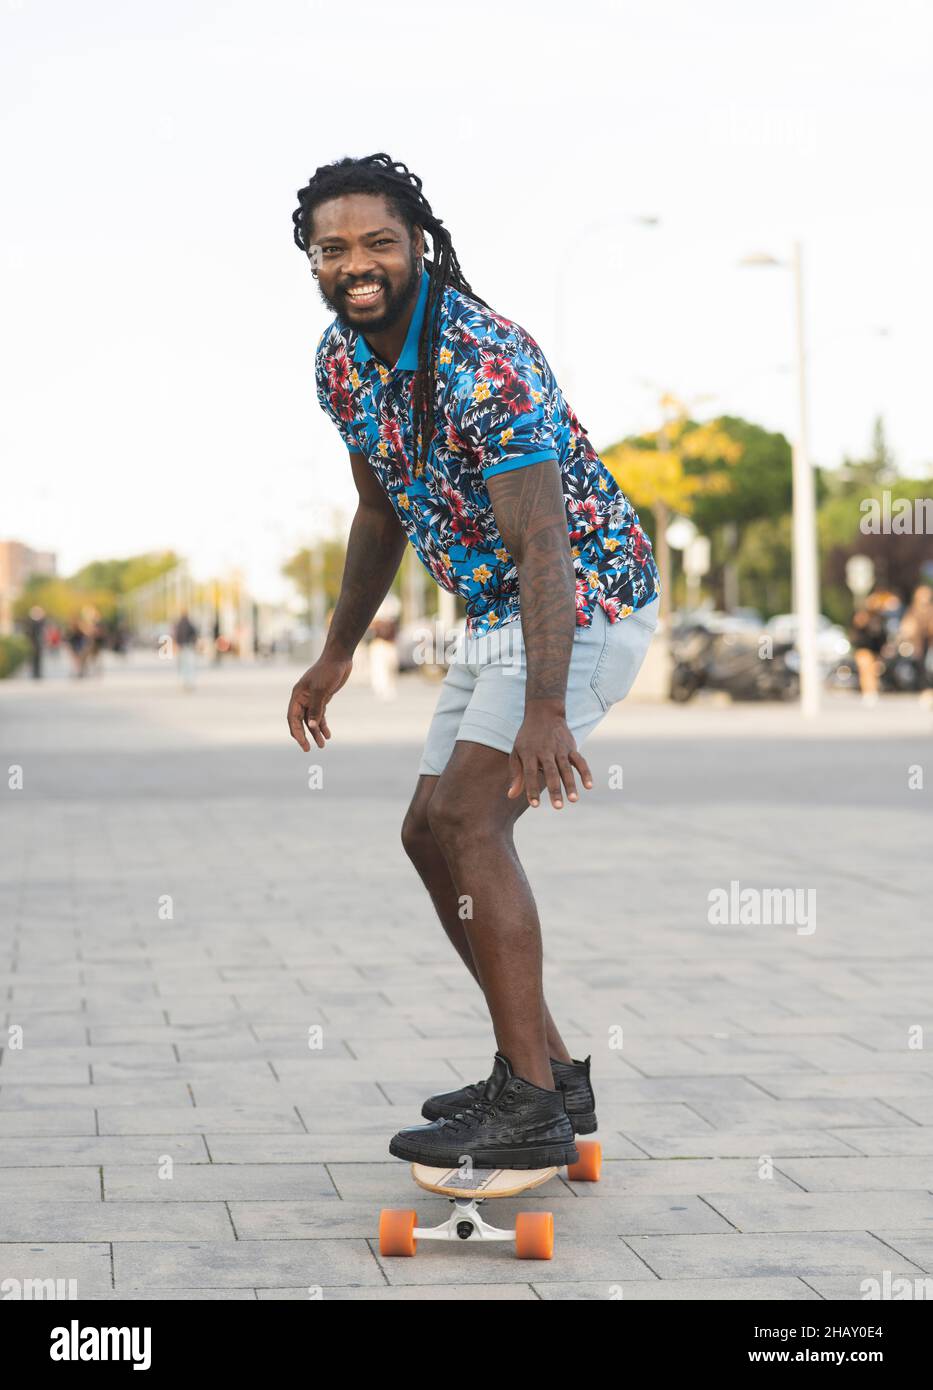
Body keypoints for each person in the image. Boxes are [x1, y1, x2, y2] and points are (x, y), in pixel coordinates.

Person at [286, 153, 661, 1171]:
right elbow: (378, 510)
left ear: (419, 246)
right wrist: (333, 653)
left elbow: (546, 543)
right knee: (425, 832)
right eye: (334, 248)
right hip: (498, 611)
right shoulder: (341, 361)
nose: (356, 264)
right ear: (313, 260)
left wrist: (546, 707)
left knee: (467, 817)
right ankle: (548, 1068)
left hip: (582, 600)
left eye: (377, 243)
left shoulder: (481, 358)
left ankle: (529, 1103)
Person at [173, 611, 199, 691]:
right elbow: (195, 634)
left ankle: (183, 682)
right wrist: (194, 643)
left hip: (181, 647)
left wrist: (177, 645)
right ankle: (189, 682)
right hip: (189, 646)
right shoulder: (190, 624)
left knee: (182, 665)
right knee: (189, 665)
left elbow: (176, 635)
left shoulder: (179, 624)